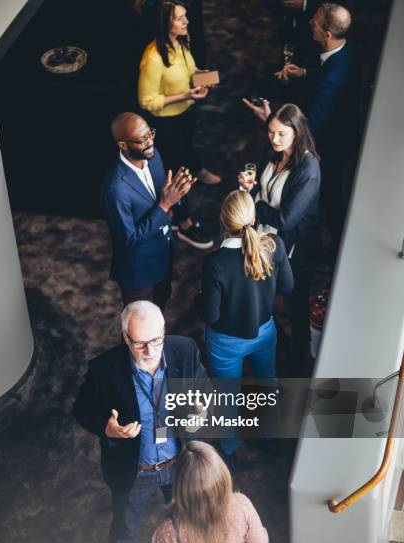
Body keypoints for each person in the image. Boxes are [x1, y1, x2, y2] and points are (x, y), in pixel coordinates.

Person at [72, 301, 207, 543]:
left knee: (186, 523)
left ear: (164, 332)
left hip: (179, 464)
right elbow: (82, 409)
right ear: (124, 337)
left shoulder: (184, 350)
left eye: (156, 340)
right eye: (139, 343)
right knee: (126, 529)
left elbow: (202, 384)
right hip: (135, 471)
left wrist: (199, 408)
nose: (149, 351)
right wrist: (107, 429)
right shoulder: (104, 369)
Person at [245, 4, 360, 252]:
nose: (310, 23)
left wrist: (269, 120)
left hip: (329, 146)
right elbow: (326, 76)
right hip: (342, 132)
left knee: (327, 198)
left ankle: (327, 247)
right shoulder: (344, 52)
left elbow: (309, 128)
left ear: (327, 34)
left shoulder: (331, 79)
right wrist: (305, 73)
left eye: (315, 23)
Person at [198, 190, 293, 458]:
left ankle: (229, 452)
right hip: (264, 331)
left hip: (226, 341)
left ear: (222, 220)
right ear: (253, 218)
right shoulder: (274, 245)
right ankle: (271, 437)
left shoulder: (215, 263)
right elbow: (288, 286)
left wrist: (199, 301)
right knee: (267, 382)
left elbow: (211, 315)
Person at [239, 103, 321, 373]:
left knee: (295, 303)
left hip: (293, 248)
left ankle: (300, 358)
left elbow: (286, 219)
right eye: (271, 132)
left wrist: (256, 206)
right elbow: (262, 190)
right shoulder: (273, 152)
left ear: (297, 133)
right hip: (264, 238)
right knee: (262, 295)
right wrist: (250, 190)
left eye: (281, 134)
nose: (274, 139)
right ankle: (276, 343)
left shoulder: (308, 170)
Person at [101, 112, 205, 311]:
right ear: (122, 145)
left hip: (163, 254)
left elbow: (162, 196)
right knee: (139, 324)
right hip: (140, 272)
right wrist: (164, 205)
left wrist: (178, 191)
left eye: (150, 134)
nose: (149, 142)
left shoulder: (154, 155)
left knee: (161, 303)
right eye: (142, 139)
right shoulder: (115, 189)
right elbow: (129, 241)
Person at [138, 1, 221, 247]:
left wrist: (199, 78)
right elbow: (146, 101)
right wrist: (185, 95)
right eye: (180, 19)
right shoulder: (152, 58)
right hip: (167, 123)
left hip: (185, 114)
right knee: (176, 170)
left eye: (186, 17)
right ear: (166, 24)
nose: (187, 22)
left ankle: (197, 169)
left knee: (187, 150)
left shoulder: (182, 43)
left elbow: (189, 69)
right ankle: (182, 223)